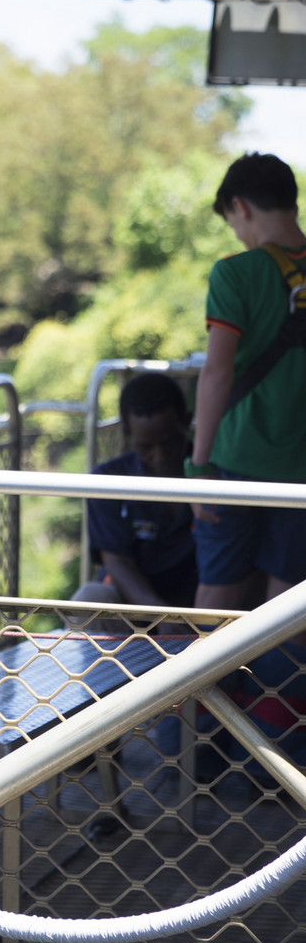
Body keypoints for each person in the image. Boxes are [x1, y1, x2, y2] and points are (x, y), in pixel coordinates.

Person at [188, 152, 306, 613]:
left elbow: (218, 371)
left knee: (217, 597)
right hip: (300, 469)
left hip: (233, 460)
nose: (237, 232)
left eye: (232, 221)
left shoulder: (235, 272)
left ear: (240, 206)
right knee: (286, 606)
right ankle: (277, 688)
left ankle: (201, 688)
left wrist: (198, 465)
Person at [73, 372, 197, 618]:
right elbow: (117, 562)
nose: (159, 456)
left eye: (169, 443)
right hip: (137, 607)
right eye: (145, 447)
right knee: (90, 599)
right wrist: (163, 617)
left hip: (201, 604)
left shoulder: (213, 474)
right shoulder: (109, 479)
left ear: (187, 422)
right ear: (127, 434)